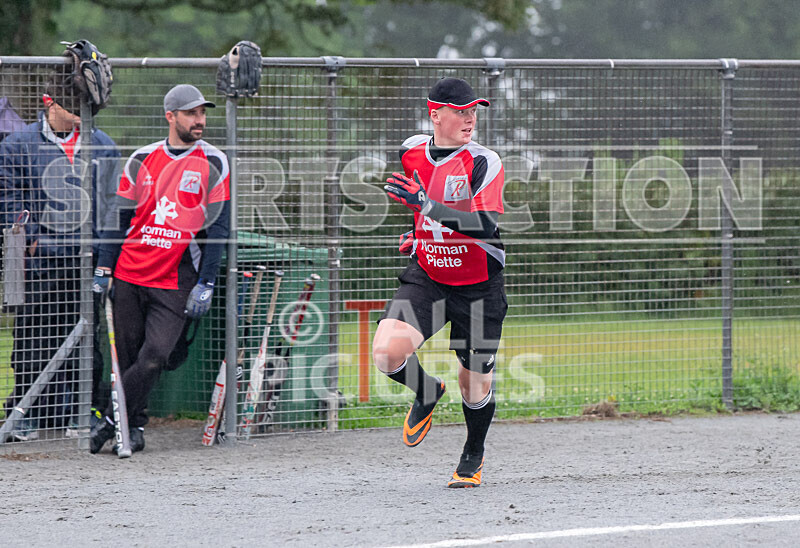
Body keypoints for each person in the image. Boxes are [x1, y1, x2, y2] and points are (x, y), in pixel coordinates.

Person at [373, 77, 507, 488]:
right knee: (386, 352)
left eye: (473, 111)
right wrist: (419, 234)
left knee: (474, 385)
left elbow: (484, 225)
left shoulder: (484, 161)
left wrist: (426, 207)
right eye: (460, 112)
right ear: (436, 115)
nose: (470, 119)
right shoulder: (411, 151)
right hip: (429, 275)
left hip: (478, 286)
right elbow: (421, 206)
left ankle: (472, 453)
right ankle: (427, 390)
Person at [90, 84, 230, 454]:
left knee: (155, 356)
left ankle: (111, 419)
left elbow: (219, 228)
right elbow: (118, 218)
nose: (199, 120)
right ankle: (132, 428)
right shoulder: (142, 158)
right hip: (129, 271)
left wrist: (207, 281)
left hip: (176, 276)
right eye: (191, 113)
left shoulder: (214, 161)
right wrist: (104, 267)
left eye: (202, 113)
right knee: (128, 356)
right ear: (171, 116)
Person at [0, 66, 120, 440]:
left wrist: (104, 260)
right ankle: (27, 414)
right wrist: (33, 238)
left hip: (86, 263)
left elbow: (112, 208)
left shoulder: (104, 145)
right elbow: (8, 199)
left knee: (87, 342)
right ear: (49, 102)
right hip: (39, 263)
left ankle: (81, 412)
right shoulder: (17, 145)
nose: (81, 114)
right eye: (73, 106)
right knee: (32, 340)